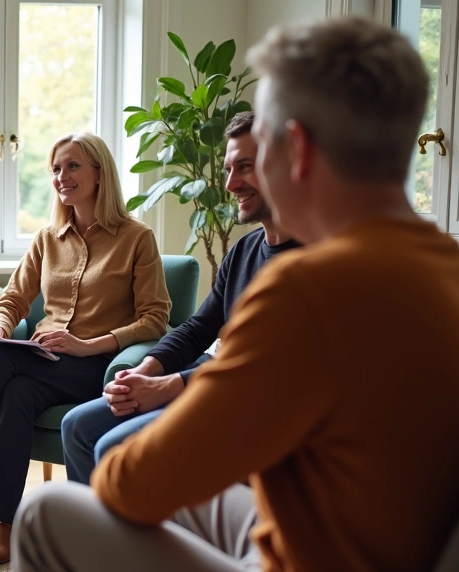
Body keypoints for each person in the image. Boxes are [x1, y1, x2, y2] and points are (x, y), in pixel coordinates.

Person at [8, 17, 459, 572]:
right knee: (210, 498)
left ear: (299, 150)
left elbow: (133, 487)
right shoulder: (454, 272)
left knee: (47, 515)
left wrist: (164, 408)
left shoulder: (308, 287)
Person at [0, 132, 171, 565]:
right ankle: (3, 522)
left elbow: (155, 318)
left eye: (71, 166)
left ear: (98, 173)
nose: (61, 177)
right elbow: (12, 299)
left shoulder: (136, 238)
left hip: (96, 366)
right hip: (41, 365)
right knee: (12, 389)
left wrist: (88, 345)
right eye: (55, 168)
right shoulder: (48, 238)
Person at [61, 111, 300, 484]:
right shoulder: (244, 250)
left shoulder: (313, 265)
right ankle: (95, 539)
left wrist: (169, 386)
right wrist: (143, 372)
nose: (231, 183)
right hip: (206, 374)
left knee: (112, 448)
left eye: (245, 167)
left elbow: (265, 367)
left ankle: (127, 539)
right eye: (227, 169)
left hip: (241, 397)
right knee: (76, 425)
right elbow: (197, 328)